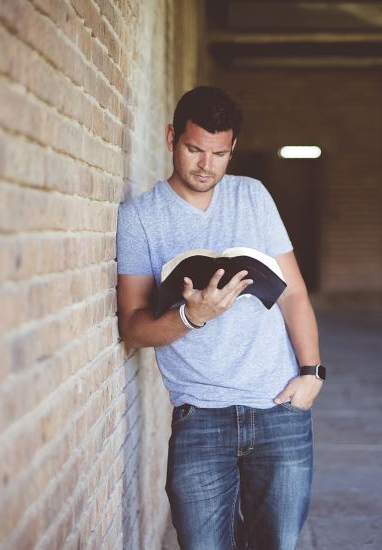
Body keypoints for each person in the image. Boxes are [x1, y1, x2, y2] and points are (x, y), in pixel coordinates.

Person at [116, 86, 325, 550]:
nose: (205, 165)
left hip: (279, 408)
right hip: (200, 416)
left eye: (219, 154)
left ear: (231, 150)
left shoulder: (253, 196)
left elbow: (293, 294)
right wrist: (192, 318)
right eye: (194, 150)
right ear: (172, 137)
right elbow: (132, 325)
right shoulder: (140, 218)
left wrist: (312, 373)